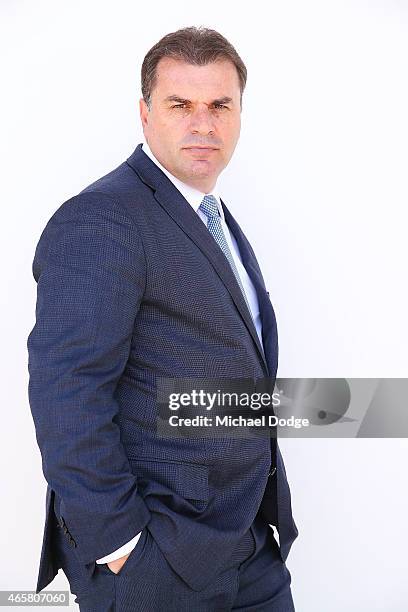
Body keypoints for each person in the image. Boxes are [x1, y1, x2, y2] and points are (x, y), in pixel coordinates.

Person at [27, 26, 298, 611]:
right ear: (145, 113)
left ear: (240, 115)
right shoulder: (101, 219)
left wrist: (370, 410)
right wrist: (124, 548)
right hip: (159, 561)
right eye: (181, 104)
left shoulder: (210, 216)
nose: (203, 124)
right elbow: (66, 392)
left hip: (247, 544)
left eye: (220, 105)